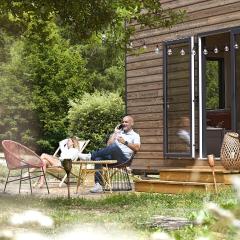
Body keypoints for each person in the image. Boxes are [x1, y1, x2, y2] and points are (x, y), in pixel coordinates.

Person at [78, 115, 141, 193]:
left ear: (132, 123)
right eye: (123, 122)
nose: (124, 123)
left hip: (124, 159)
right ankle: (98, 185)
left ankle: (90, 156)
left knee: (114, 147)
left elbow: (137, 148)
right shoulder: (119, 133)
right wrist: (115, 133)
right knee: (98, 159)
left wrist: (125, 142)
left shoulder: (135, 135)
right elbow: (108, 145)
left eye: (126, 122)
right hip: (113, 157)